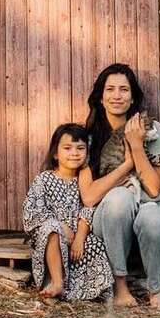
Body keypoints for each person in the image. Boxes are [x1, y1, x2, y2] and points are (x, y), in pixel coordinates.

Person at [79, 63, 160, 312]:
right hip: (110, 218)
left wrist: (135, 145)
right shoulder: (87, 137)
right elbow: (89, 198)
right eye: (110, 89)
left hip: (146, 205)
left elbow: (154, 189)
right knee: (119, 198)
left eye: (124, 89)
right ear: (101, 97)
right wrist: (127, 166)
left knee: (154, 217)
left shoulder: (153, 131)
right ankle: (120, 286)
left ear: (133, 97)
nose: (117, 95)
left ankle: (156, 289)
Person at [22, 123, 114, 301]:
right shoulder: (44, 179)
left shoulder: (85, 180)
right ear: (56, 153)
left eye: (80, 148)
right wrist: (61, 226)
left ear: (87, 153)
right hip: (51, 239)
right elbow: (32, 211)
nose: (74, 153)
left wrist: (80, 237)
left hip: (79, 237)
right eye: (67, 148)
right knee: (52, 231)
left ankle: (92, 288)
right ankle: (57, 282)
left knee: (96, 244)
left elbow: (90, 209)